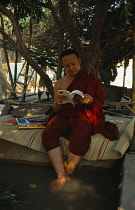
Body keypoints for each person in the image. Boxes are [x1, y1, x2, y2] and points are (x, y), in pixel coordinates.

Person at [42, 49, 119, 192]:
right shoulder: (59, 83)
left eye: (73, 64)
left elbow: (99, 103)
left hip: (84, 115)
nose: (71, 68)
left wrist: (89, 100)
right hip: (65, 115)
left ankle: (69, 172)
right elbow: (57, 110)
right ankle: (61, 175)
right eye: (66, 66)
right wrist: (58, 102)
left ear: (79, 61)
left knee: (81, 133)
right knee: (48, 133)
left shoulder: (91, 80)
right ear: (62, 66)